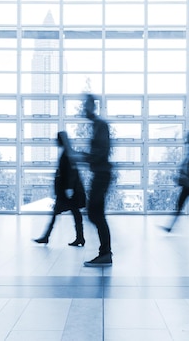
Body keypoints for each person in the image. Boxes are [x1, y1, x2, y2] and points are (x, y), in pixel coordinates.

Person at [78, 94, 113, 267]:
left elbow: (100, 153)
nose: (84, 108)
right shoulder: (97, 125)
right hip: (100, 174)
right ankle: (105, 252)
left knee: (95, 214)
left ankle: (105, 253)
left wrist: (82, 157)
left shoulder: (100, 125)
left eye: (86, 104)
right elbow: (98, 153)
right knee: (95, 214)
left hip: (101, 174)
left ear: (93, 105)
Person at [34, 131, 86, 246]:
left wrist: (69, 188)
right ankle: (79, 238)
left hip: (68, 193)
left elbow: (71, 172)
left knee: (62, 214)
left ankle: (46, 237)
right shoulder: (67, 152)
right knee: (74, 214)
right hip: (69, 192)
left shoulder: (67, 154)